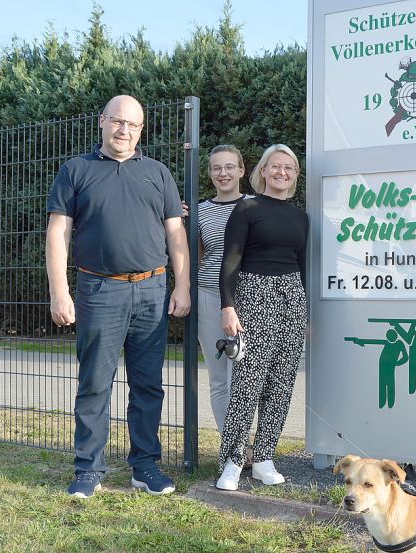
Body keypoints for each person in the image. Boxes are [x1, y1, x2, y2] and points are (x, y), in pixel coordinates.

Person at [46, 94, 190, 499]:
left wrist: (181, 285)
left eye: (132, 124)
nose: (123, 130)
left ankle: (145, 466)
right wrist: (60, 291)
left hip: (152, 290)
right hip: (99, 290)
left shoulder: (158, 173)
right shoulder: (76, 170)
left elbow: (176, 233)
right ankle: (88, 470)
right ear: (102, 122)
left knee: (148, 385)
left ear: (141, 130)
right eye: (117, 121)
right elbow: (58, 232)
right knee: (94, 384)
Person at [215, 144, 308, 490]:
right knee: (247, 383)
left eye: (290, 168)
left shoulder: (301, 217)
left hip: (292, 297)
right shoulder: (247, 207)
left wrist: (306, 315)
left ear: (296, 176)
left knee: (282, 382)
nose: (282, 172)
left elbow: (303, 265)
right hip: (254, 294)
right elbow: (231, 260)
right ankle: (233, 460)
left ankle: (264, 457)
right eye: (276, 166)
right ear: (263, 171)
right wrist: (228, 306)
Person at [195, 145, 250, 433]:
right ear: (210, 174)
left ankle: (244, 443)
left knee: (241, 377)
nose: (223, 173)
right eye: (217, 168)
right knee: (219, 378)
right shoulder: (200, 212)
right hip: (208, 296)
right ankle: (231, 447)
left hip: (248, 298)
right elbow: (198, 255)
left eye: (230, 166)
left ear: (241, 170)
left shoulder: (256, 205)